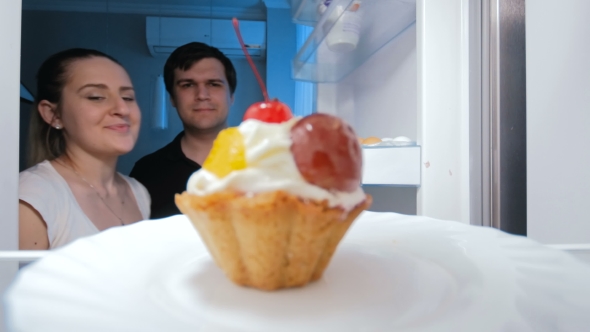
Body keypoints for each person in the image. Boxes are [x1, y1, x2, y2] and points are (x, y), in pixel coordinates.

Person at [19, 48, 151, 250]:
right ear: (53, 114)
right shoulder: (33, 196)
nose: (122, 109)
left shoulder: (138, 193)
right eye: (96, 97)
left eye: (128, 97)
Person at [130, 42, 236, 219]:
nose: (202, 95)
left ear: (231, 96)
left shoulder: (264, 162)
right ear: (172, 98)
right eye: (187, 85)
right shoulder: (145, 172)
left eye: (214, 84)